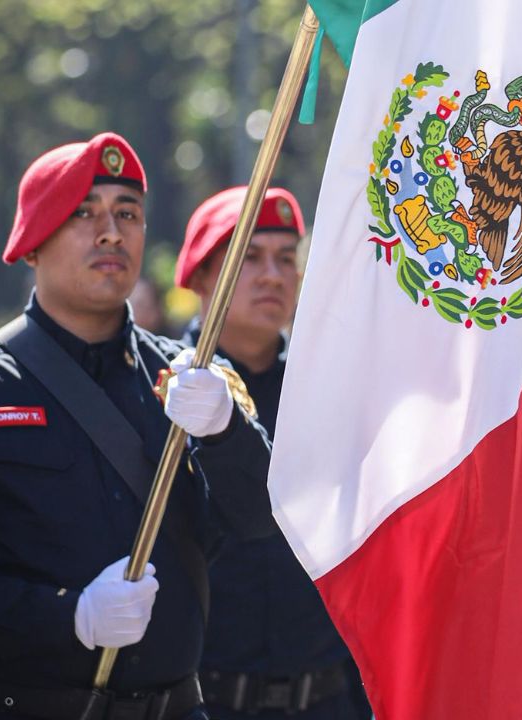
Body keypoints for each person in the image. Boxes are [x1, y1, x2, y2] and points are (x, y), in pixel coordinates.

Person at [0, 132, 276, 720]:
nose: (111, 231)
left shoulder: (191, 375)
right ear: (32, 243)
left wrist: (224, 431)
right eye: (83, 212)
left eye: (128, 213)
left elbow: (258, 518)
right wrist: (69, 616)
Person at [174, 186, 368, 719]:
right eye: (249, 257)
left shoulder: (330, 386)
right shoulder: (163, 383)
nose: (273, 275)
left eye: (287, 259)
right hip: (203, 701)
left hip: (327, 699)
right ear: (200, 276)